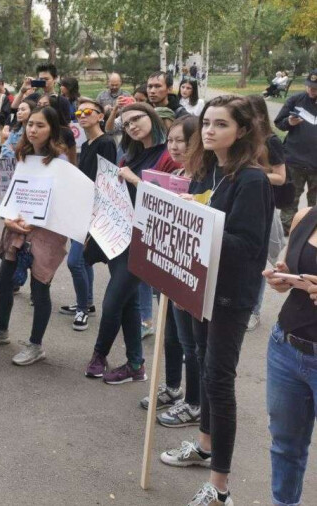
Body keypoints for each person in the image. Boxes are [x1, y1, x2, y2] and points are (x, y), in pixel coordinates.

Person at [159, 95, 273, 506]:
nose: (209, 130)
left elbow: (248, 247)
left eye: (221, 124)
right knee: (204, 372)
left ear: (242, 131)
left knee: (219, 381)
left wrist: (200, 219)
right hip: (197, 286)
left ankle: (220, 487)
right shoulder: (206, 170)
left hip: (229, 296)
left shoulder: (252, 180)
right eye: (207, 122)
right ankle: (204, 445)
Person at [0, 106, 70, 365]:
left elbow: (64, 203)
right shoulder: (22, 156)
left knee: (40, 289)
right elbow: (12, 195)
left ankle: (36, 345)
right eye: (30, 124)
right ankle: (1, 330)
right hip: (17, 229)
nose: (33, 130)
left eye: (40, 125)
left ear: (52, 129)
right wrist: (8, 218)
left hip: (46, 234)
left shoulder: (60, 163)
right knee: (3, 282)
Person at [85, 103, 170, 385]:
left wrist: (134, 180)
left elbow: (170, 203)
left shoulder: (167, 155)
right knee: (129, 303)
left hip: (145, 242)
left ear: (153, 117)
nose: (132, 126)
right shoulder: (131, 154)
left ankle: (99, 354)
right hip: (118, 238)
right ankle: (136, 364)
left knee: (112, 303)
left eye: (137, 119)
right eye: (126, 123)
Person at [144, 116, 203, 430]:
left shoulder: (206, 181)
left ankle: (194, 403)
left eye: (184, 140)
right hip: (167, 267)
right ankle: (172, 385)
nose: (177, 147)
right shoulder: (175, 174)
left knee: (190, 342)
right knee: (171, 335)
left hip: (190, 274)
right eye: (171, 141)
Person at [263, 205, 317, 506]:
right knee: (286, 447)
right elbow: (287, 268)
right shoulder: (305, 216)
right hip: (285, 348)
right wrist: (280, 277)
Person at [60, 98, 116, 330]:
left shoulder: (106, 142)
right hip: (81, 207)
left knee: (76, 261)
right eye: (79, 112)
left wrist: (95, 215)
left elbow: (106, 180)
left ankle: (82, 310)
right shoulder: (89, 142)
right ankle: (88, 303)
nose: (82, 115)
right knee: (84, 261)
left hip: (93, 212)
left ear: (100, 116)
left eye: (88, 112)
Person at [246, 94, 288, 332]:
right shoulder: (241, 139)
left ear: (259, 115)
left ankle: (254, 310)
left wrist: (250, 173)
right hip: (242, 203)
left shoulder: (271, 141)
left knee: (259, 260)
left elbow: (280, 177)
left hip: (263, 205)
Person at [276, 69, 317, 235]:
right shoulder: (296, 100)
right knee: (291, 199)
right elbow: (279, 122)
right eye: (309, 86)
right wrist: (289, 122)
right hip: (295, 159)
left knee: (314, 203)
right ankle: (288, 231)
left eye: (315, 88)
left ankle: (311, 233)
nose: (311, 90)